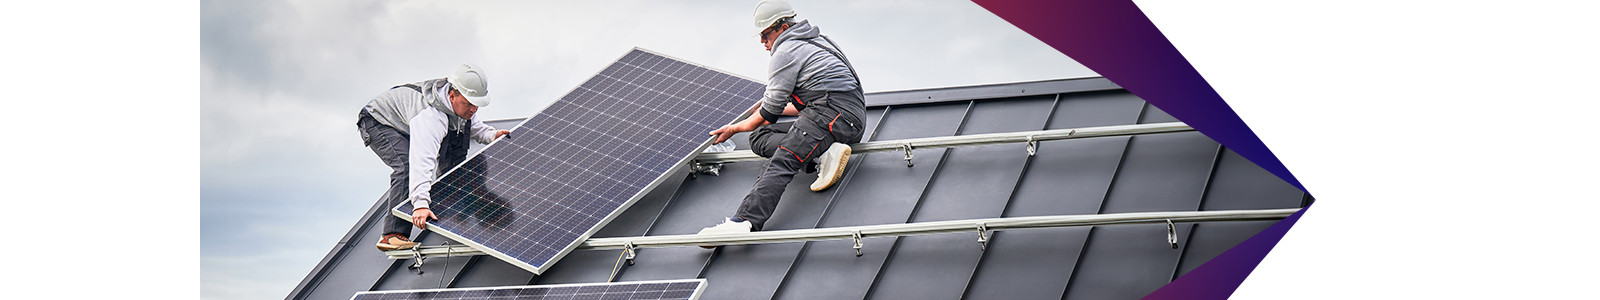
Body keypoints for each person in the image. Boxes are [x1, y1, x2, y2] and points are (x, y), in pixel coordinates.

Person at [700, 0, 867, 235]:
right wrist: (757, 111)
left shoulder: (786, 51)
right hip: (847, 116)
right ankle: (822, 152)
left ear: (783, 28)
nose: (762, 42)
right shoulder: (819, 41)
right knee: (759, 137)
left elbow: (769, 114)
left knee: (783, 160)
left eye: (766, 34)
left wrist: (734, 129)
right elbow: (797, 106)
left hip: (832, 116)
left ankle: (743, 222)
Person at [357, 64, 510, 251]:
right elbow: (421, 161)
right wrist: (420, 204)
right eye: (468, 104)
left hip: (407, 121)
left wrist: (492, 135)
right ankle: (392, 235)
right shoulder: (431, 117)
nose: (473, 109)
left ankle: (449, 205)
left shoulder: (458, 105)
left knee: (458, 144)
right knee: (405, 166)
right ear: (452, 95)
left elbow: (473, 125)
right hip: (379, 122)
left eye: (476, 104)